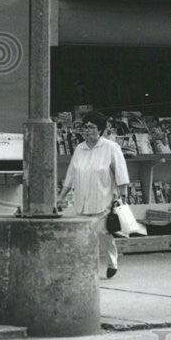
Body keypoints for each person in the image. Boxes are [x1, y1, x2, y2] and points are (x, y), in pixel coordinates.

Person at [61, 110, 130, 279]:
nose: (86, 131)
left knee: (103, 234)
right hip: (81, 200)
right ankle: (87, 268)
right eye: (84, 127)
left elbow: (121, 174)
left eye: (91, 127)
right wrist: (61, 196)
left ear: (100, 129)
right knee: (83, 236)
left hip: (103, 199)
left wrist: (122, 199)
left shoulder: (111, 148)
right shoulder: (79, 149)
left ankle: (112, 263)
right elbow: (70, 175)